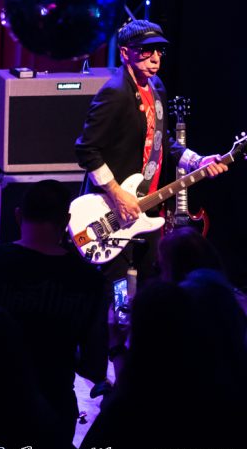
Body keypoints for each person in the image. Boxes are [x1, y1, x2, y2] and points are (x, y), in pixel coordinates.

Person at [0, 180, 109, 442]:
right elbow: (94, 366)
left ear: (18, 215)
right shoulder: (91, 281)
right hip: (53, 411)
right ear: (66, 221)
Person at [74, 20, 227, 281]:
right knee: (113, 286)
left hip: (149, 206)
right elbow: (86, 149)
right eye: (146, 50)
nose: (155, 58)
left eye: (159, 50)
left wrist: (198, 161)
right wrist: (117, 194)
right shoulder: (115, 93)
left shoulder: (157, 88)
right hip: (113, 209)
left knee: (153, 282)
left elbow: (162, 139)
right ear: (125, 53)